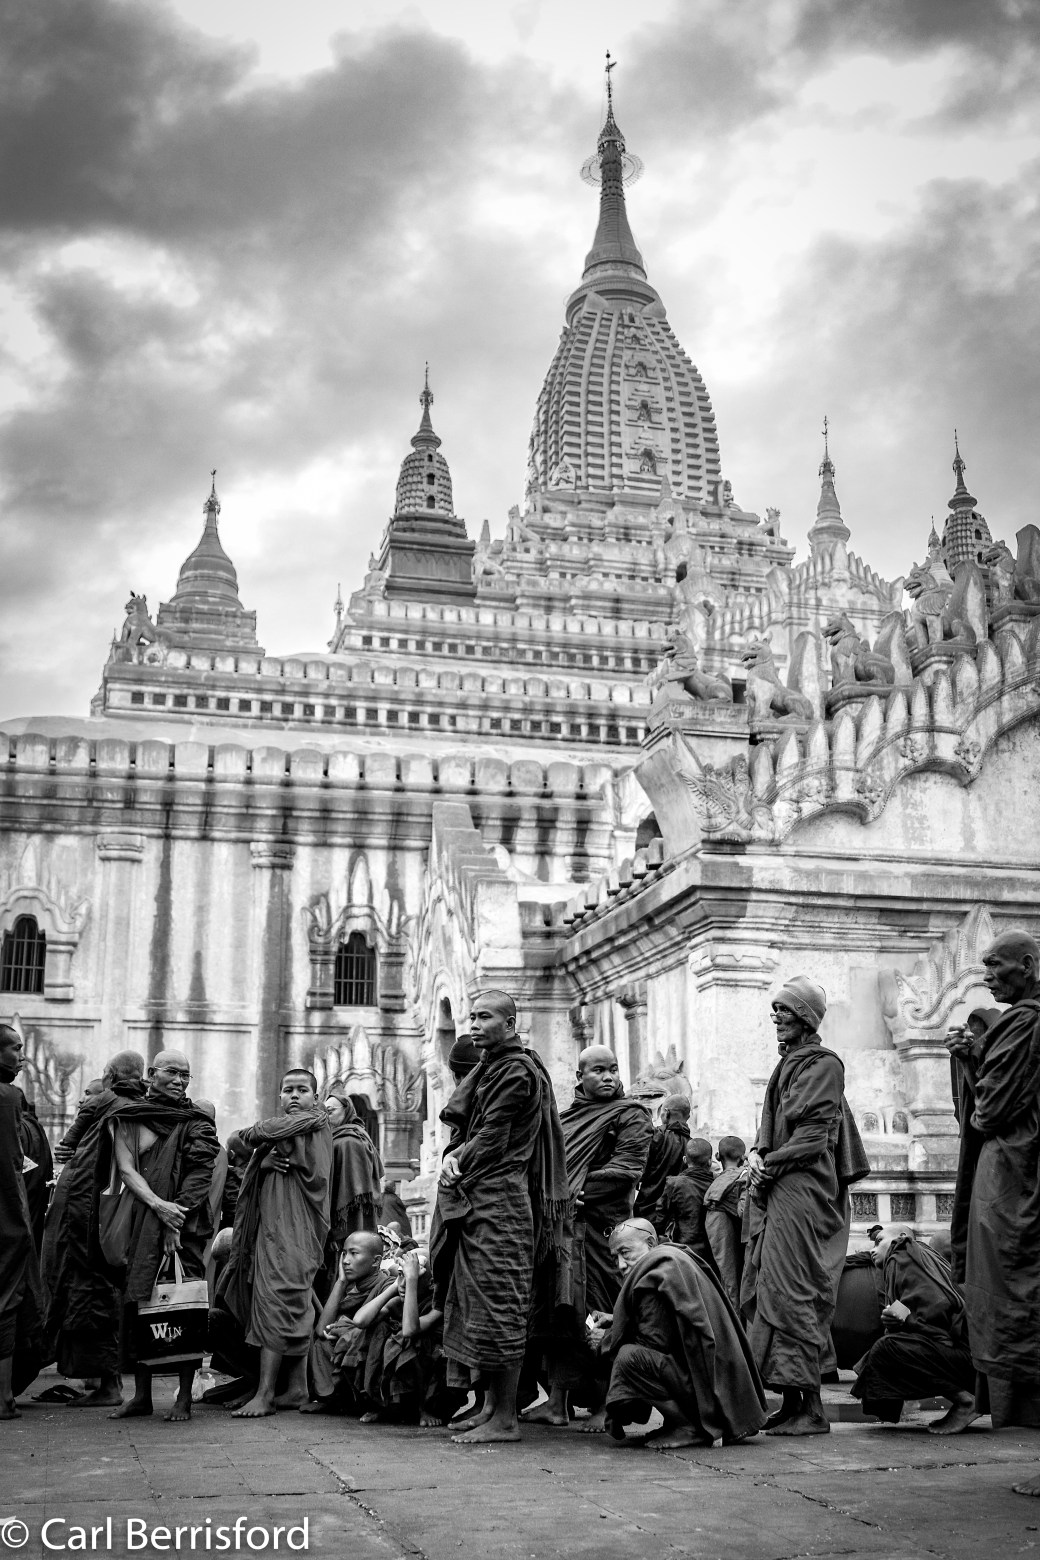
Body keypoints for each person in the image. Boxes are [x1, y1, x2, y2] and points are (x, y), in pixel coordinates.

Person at [429, 989, 570, 1445]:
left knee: (501, 1307)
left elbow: (493, 1135)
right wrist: (459, 1156)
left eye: (484, 1016)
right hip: (482, 1197)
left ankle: (506, 1417)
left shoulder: (515, 1072)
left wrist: (457, 1159)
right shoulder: (493, 1067)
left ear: (510, 1024)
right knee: (476, 1304)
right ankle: (489, 1405)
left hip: (503, 1202)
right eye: (471, 1015)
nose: (473, 1023)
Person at [740, 976, 870, 1437]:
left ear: (808, 1019)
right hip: (782, 1188)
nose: (776, 1018)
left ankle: (811, 1408)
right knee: (773, 1289)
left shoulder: (823, 1065)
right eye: (775, 1010)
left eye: (786, 1011)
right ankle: (792, 1402)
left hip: (804, 1193)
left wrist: (765, 1165)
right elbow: (774, 1130)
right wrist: (757, 1153)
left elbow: (812, 1139)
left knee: (797, 1295)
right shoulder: (791, 1064)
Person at [943, 933, 1040, 1498]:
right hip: (1022, 1178)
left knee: (1018, 1307)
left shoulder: (1025, 1023)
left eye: (998, 967)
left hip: (1016, 1185)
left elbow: (991, 1110)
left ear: (1029, 966)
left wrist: (976, 1061)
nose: (990, 978)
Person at [524, 1045, 651, 1431]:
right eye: (598, 1070)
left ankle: (606, 1405)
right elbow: (548, 1165)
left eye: (613, 1069)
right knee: (564, 1312)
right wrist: (560, 1190)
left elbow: (628, 1168)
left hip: (604, 1231)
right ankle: (557, 1403)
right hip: (564, 1231)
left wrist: (577, 1187)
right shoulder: (567, 1118)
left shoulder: (631, 1115)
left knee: (603, 1312)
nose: (609, 1076)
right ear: (580, 1076)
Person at [100, 1051, 219, 1423]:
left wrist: (174, 1219)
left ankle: (183, 1397)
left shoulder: (196, 1120)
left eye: (186, 1075)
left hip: (184, 1227)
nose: (180, 1080)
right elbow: (126, 1169)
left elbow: (199, 1173)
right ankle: (142, 1396)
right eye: (172, 1072)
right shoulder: (130, 1115)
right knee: (138, 1304)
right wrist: (157, 1206)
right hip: (144, 1219)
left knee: (184, 1308)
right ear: (151, 1074)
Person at [217, 1068, 333, 1418]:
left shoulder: (314, 1123)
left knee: (277, 1302)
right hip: (276, 1231)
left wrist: (253, 1142)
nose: (294, 1096)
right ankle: (297, 1389)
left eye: (302, 1090)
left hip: (296, 1231)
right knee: (294, 1304)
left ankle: (266, 1393)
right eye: (287, 1090)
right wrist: (262, 1161)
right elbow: (240, 1143)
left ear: (316, 1097)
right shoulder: (289, 1129)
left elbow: (249, 1134)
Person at [593, 1219, 766, 1447]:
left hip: (710, 1386)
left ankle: (689, 1427)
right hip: (718, 1380)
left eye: (625, 1253)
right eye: (615, 1257)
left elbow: (655, 1342)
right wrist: (617, 1321)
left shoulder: (657, 1269)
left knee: (628, 1359)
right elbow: (672, 1322)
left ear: (651, 1242)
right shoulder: (671, 1257)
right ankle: (679, 1423)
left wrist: (607, 1338)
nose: (621, 1265)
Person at [41, 1051, 147, 1407]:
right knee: (101, 1292)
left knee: (83, 1292)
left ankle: (107, 1386)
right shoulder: (139, 1107)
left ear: (111, 1075)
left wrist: (68, 1151)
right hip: (110, 1213)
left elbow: (66, 1144)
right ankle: (105, 1381)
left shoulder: (107, 1100)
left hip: (81, 1212)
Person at [850, 1226, 976, 1433]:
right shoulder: (917, 1259)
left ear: (900, 1238)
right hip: (977, 1361)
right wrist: (897, 1321)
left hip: (967, 1358)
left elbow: (939, 1305)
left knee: (887, 1348)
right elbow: (918, 1306)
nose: (872, 1249)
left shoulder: (903, 1251)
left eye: (878, 1240)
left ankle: (966, 1401)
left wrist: (908, 1328)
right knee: (885, 1348)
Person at [0, 1023, 45, 1418]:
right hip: (7, 1221)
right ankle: (3, 1398)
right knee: (7, 1303)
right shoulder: (9, 1098)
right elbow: (13, 1167)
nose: (22, 1056)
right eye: (15, 1049)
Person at [305, 1230, 396, 1415]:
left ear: (376, 1261)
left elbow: (370, 1327)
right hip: (350, 1354)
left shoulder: (389, 1285)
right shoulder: (352, 1287)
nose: (346, 1260)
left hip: (375, 1359)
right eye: (344, 1253)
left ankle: (365, 1400)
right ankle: (334, 1399)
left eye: (354, 1254)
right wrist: (340, 1282)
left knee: (352, 1337)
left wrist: (344, 1330)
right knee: (321, 1343)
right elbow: (322, 1330)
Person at [319, 1094, 384, 1295]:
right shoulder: (339, 1138)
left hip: (345, 1223)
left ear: (346, 1111)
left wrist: (335, 1228)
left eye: (331, 1111)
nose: (326, 1116)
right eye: (324, 1111)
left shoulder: (349, 1142)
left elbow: (348, 1191)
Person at [703, 1136, 748, 1309]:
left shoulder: (714, 1181)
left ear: (717, 1156)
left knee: (728, 1281)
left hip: (719, 1238)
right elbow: (744, 1213)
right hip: (741, 1241)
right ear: (743, 1158)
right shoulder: (744, 1177)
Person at [634, 1094, 692, 1227]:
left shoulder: (655, 1136)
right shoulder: (693, 1146)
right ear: (688, 1117)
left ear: (666, 1113)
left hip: (647, 1210)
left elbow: (639, 1170)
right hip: (674, 1216)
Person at [659, 1137, 715, 1264]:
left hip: (683, 1249)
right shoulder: (716, 1184)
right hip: (711, 1251)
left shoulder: (674, 1183)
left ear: (685, 1160)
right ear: (710, 1161)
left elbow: (661, 1216)